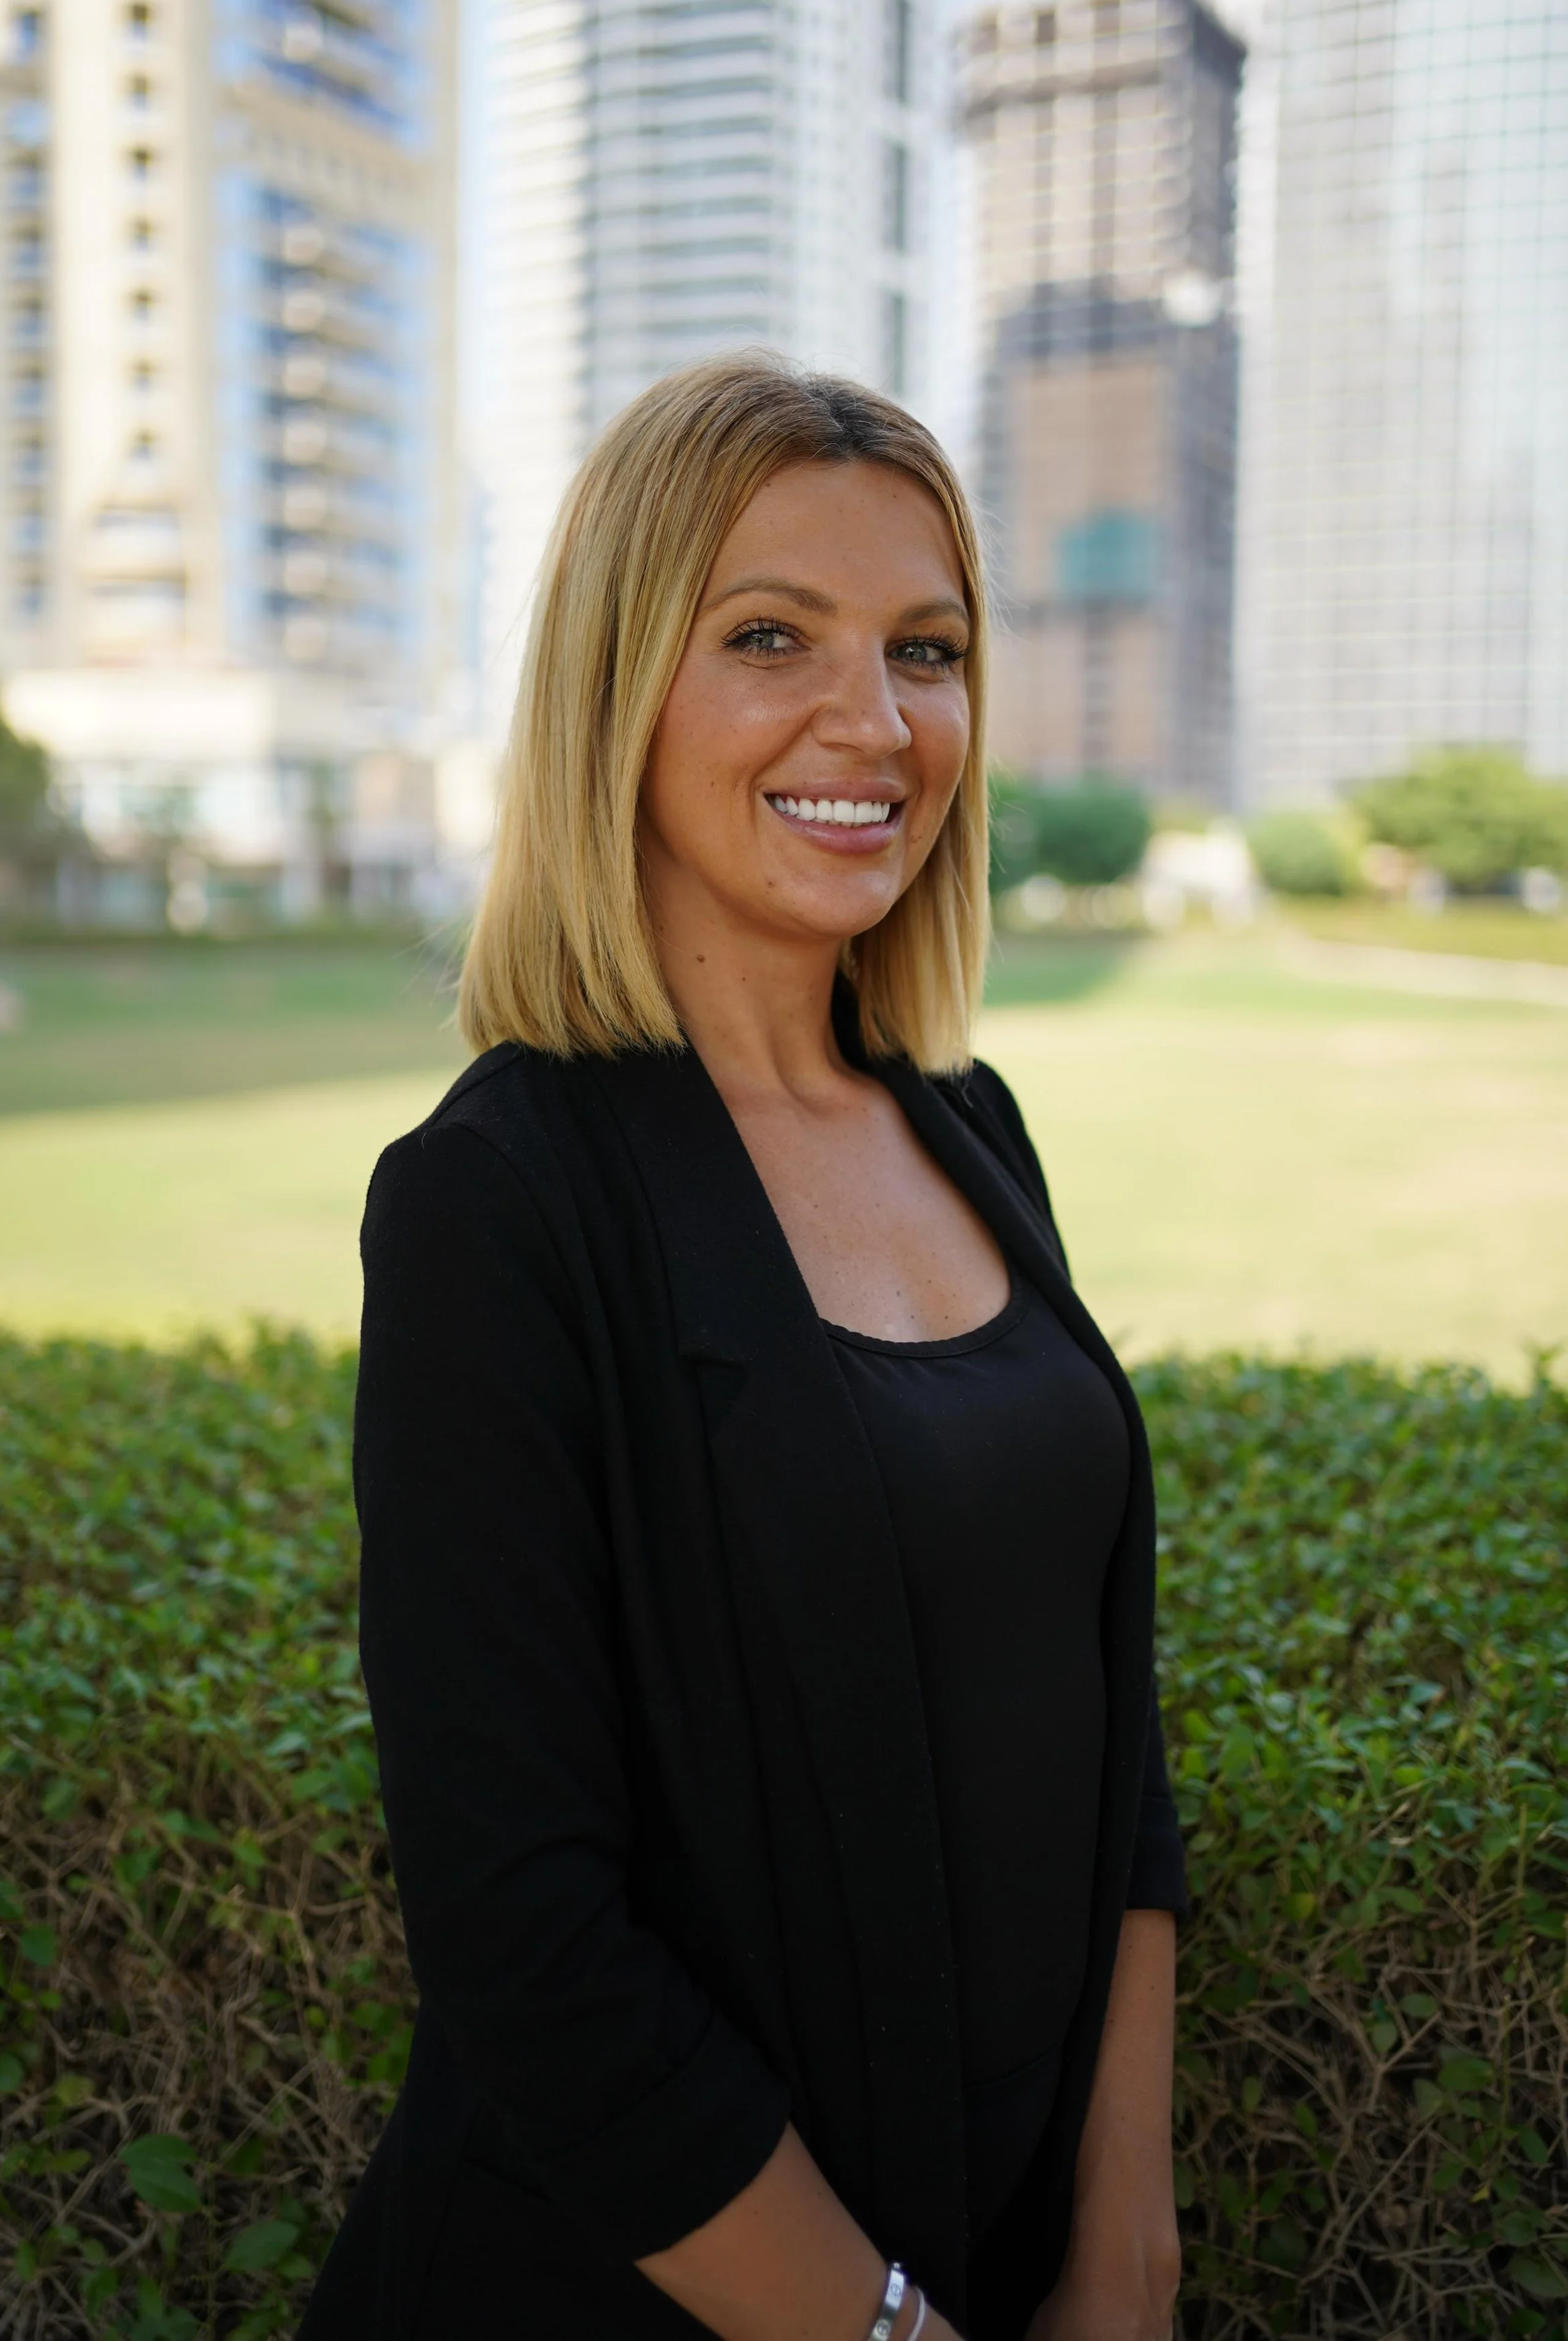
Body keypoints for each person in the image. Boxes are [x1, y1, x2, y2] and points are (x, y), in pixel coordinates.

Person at [298, 357, 1188, 2341]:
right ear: (621, 687)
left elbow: (1106, 1714)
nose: (870, 722)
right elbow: (529, 1944)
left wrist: (1125, 2246)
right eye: (768, 636)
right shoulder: (495, 1204)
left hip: (1016, 2244)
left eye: (926, 650)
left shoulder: (972, 1129)